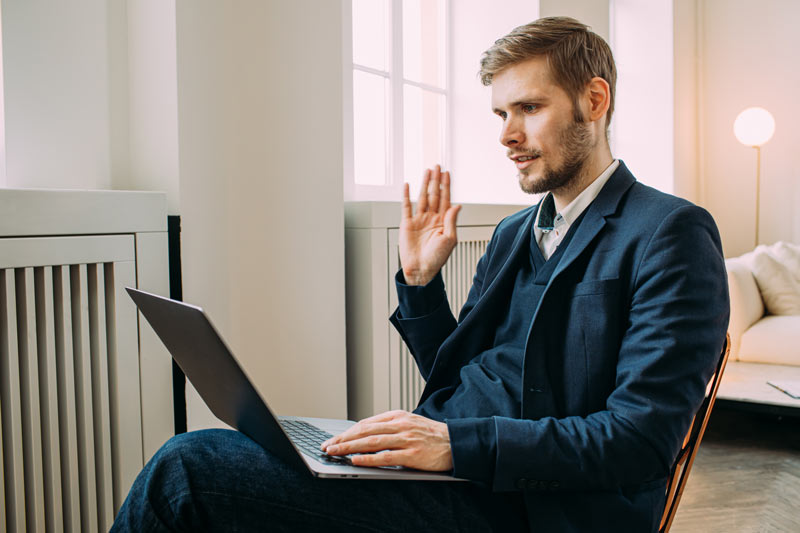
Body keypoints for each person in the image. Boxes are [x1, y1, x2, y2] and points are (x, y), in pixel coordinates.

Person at [112, 16, 729, 532]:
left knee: (187, 469)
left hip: (535, 506)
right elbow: (458, 377)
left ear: (594, 101)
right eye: (499, 114)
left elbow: (640, 441)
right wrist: (420, 282)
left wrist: (455, 446)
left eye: (529, 108)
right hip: (455, 469)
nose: (508, 135)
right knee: (240, 457)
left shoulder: (669, 232)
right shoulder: (517, 231)